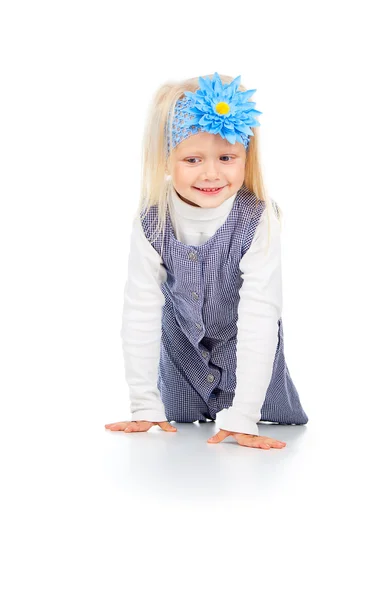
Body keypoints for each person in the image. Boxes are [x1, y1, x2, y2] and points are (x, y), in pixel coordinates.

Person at [105, 72, 309, 450]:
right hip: (181, 361)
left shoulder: (258, 218)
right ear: (165, 159)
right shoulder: (152, 219)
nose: (211, 173)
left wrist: (245, 413)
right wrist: (144, 404)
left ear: (246, 158)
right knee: (180, 438)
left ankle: (244, 407)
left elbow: (261, 314)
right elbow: (140, 311)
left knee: (263, 410)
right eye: (193, 159)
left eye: (227, 157)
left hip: (248, 361)